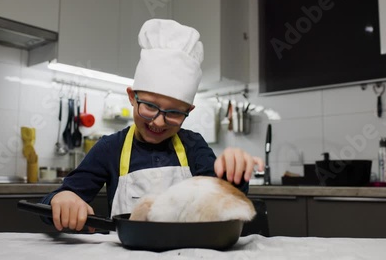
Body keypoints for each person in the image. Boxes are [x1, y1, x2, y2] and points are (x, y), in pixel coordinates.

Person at [41, 19, 264, 232]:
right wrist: (63, 199)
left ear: (189, 112)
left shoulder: (193, 146)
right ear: (132, 97)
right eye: (149, 106)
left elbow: (221, 202)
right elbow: (51, 204)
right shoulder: (110, 148)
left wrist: (235, 174)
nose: (158, 121)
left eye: (174, 112)